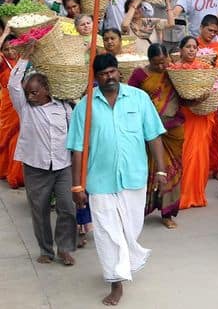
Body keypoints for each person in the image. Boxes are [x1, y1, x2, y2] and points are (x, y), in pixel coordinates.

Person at [67, 53, 167, 306]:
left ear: (118, 72)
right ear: (96, 78)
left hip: (134, 176)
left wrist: (162, 171)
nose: (108, 77)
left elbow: (154, 136)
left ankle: (125, 262)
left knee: (130, 229)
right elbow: (77, 147)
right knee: (107, 232)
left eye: (112, 72)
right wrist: (77, 185)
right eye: (103, 74)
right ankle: (116, 280)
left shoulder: (139, 99)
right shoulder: (85, 106)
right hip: (99, 180)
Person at [9, 53, 76, 265]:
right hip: (36, 167)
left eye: (35, 92)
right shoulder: (25, 109)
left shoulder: (64, 108)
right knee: (40, 210)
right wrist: (25, 59)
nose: (30, 96)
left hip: (63, 166)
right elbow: (13, 85)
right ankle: (46, 250)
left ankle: (65, 248)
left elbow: (74, 134)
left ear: (46, 90)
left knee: (67, 207)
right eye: (28, 92)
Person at [127, 44, 184, 229]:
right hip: (149, 132)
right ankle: (140, 211)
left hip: (173, 129)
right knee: (148, 171)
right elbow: (130, 100)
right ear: (149, 61)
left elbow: (184, 95)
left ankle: (167, 213)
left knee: (172, 171)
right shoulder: (139, 75)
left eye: (163, 62)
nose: (161, 67)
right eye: (156, 63)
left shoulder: (175, 72)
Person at [176, 36, 218, 209]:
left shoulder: (204, 68)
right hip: (184, 117)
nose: (192, 50)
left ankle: (197, 194)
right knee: (186, 156)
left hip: (200, 116)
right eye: (188, 47)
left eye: (194, 47)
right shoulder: (174, 69)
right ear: (181, 49)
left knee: (200, 155)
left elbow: (213, 86)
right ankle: (183, 196)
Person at [0, 27, 23, 187]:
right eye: (6, 49)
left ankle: (16, 175)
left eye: (13, 47)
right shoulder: (2, 62)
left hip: (23, 104)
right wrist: (5, 34)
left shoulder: (24, 59)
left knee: (19, 140)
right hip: (8, 106)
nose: (10, 51)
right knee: (5, 138)